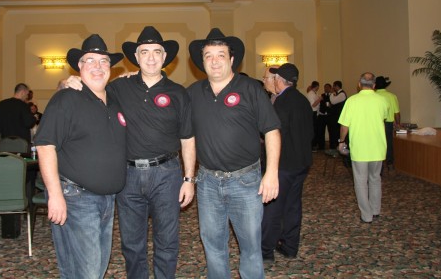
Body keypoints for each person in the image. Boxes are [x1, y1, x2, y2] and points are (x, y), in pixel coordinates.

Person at [187, 28, 281, 279]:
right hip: (207, 182)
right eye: (208, 56)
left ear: (231, 59)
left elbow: (272, 131)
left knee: (250, 246)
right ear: (202, 62)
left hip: (246, 182)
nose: (214, 61)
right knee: (213, 245)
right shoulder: (193, 93)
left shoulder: (250, 88)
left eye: (220, 55)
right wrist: (135, 77)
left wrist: (272, 173)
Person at [34, 34, 127, 279]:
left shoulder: (114, 100)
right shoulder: (67, 98)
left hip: (107, 199)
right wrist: (55, 195)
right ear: (79, 66)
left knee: (96, 267)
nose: (98, 66)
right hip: (76, 197)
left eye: (103, 61)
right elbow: (45, 146)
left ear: (111, 67)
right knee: (87, 270)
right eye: (90, 60)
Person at [115, 26, 196, 278]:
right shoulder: (118, 88)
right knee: (131, 243)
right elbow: (90, 93)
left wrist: (189, 179)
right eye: (144, 52)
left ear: (165, 57)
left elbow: (188, 139)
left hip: (167, 174)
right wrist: (71, 81)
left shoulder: (178, 93)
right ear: (136, 57)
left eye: (156, 52)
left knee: (167, 241)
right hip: (127, 176)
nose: (151, 57)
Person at [261, 63, 313, 263]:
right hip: (301, 163)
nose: (269, 82)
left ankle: (265, 250)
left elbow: (275, 135)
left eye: (271, 79)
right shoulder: (302, 99)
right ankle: (290, 246)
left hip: (283, 165)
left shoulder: (281, 103)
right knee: (292, 206)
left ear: (278, 80)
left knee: (272, 209)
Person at [338, 72, 389, 223]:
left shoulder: (352, 101)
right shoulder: (383, 100)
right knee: (375, 179)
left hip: (360, 148)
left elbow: (344, 126)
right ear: (374, 85)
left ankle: (366, 215)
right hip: (378, 147)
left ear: (359, 85)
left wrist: (341, 141)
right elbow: (384, 118)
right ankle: (375, 210)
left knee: (360, 182)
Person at [375, 76, 401, 167]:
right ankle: (389, 163)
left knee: (376, 143)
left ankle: (378, 164)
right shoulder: (392, 96)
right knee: (388, 143)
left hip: (375, 123)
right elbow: (397, 113)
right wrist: (398, 123)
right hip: (388, 124)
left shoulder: (373, 96)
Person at [328, 80, 347, 150]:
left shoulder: (342, 94)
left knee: (335, 132)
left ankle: (335, 147)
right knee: (333, 132)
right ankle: (333, 147)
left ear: (337, 86)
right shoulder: (337, 94)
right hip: (335, 116)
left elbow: (333, 101)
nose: (333, 88)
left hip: (338, 116)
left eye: (334, 86)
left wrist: (331, 94)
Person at [316, 83, 333, 151]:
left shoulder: (333, 95)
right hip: (322, 115)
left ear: (330, 88)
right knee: (321, 131)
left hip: (329, 116)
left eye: (327, 87)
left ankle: (332, 146)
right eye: (325, 87)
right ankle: (321, 146)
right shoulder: (321, 95)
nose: (326, 89)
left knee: (331, 131)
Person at [306, 81, 321, 151]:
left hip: (315, 113)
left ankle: (314, 144)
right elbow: (313, 105)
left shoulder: (315, 93)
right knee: (313, 130)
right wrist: (320, 99)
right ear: (317, 86)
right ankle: (312, 146)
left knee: (316, 129)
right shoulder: (310, 94)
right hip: (312, 113)